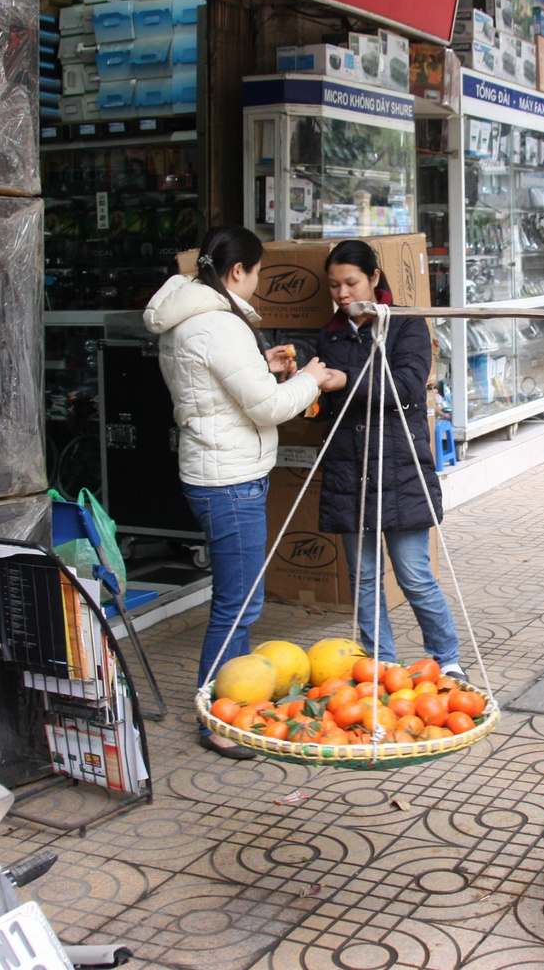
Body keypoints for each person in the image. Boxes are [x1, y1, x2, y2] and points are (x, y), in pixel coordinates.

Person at [144, 225, 338, 759]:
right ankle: (216, 718)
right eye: (255, 273)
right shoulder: (218, 327)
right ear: (237, 272)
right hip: (229, 482)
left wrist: (266, 367)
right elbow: (267, 408)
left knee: (237, 600)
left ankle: (234, 705)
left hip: (215, 472)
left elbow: (217, 389)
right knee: (237, 605)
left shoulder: (189, 322)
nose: (256, 283)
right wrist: (309, 379)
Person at [315, 241, 465, 679]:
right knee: (364, 578)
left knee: (415, 574)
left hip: (400, 467)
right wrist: (305, 383)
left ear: (374, 278)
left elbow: (406, 386)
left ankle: (448, 658)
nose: (342, 293)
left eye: (351, 282)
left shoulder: (405, 324)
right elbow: (330, 402)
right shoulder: (332, 332)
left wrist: (344, 381)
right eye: (334, 286)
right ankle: (380, 666)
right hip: (349, 467)